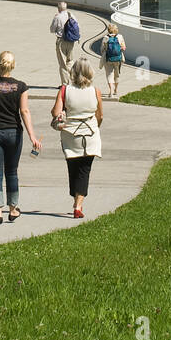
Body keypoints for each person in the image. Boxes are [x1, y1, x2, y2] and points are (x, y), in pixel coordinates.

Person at [0, 51, 40, 226]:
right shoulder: (21, 86)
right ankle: (13, 208)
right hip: (13, 132)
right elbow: (24, 111)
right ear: (12, 66)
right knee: (12, 171)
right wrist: (32, 135)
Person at [52, 57, 103, 220]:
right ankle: (78, 205)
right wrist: (95, 126)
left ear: (73, 72)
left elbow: (55, 112)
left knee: (73, 167)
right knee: (84, 169)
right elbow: (100, 115)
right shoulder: (95, 91)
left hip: (70, 134)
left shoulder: (65, 90)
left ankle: (76, 201)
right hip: (90, 133)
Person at [51, 1, 78, 86]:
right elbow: (77, 27)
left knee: (62, 63)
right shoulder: (71, 15)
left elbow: (52, 29)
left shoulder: (57, 17)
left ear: (59, 8)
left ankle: (65, 84)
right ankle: (74, 76)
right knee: (70, 60)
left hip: (61, 41)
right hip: (71, 41)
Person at [99, 22, 127, 98]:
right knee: (116, 75)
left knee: (109, 75)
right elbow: (124, 47)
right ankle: (115, 90)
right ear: (116, 30)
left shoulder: (105, 37)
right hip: (118, 59)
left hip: (108, 59)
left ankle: (111, 91)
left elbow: (102, 50)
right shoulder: (120, 37)